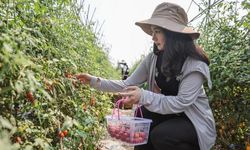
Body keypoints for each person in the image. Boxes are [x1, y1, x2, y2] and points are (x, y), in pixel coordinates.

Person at [76, 2, 216, 150]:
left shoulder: (194, 65)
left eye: (157, 32)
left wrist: (143, 96)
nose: (153, 38)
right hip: (168, 114)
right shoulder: (153, 59)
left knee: (162, 136)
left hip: (191, 121)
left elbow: (181, 103)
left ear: (172, 34)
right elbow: (126, 84)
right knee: (142, 116)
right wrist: (94, 81)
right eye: (152, 32)